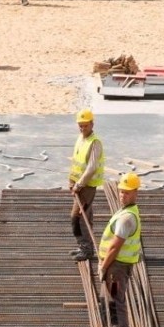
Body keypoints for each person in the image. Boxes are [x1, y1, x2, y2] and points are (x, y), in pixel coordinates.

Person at [97, 172, 142, 327]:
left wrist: (104, 266)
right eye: (121, 192)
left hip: (116, 267)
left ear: (135, 193)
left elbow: (115, 246)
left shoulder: (127, 218)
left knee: (116, 303)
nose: (123, 195)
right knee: (106, 300)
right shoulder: (125, 211)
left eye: (127, 193)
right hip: (114, 266)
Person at [68, 109, 105, 261]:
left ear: (92, 124)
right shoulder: (81, 138)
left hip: (87, 187)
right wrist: (71, 180)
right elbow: (77, 161)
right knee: (86, 217)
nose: (82, 128)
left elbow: (91, 168)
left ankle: (86, 249)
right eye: (80, 125)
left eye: (85, 125)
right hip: (78, 185)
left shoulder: (95, 143)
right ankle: (84, 246)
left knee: (77, 218)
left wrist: (79, 184)